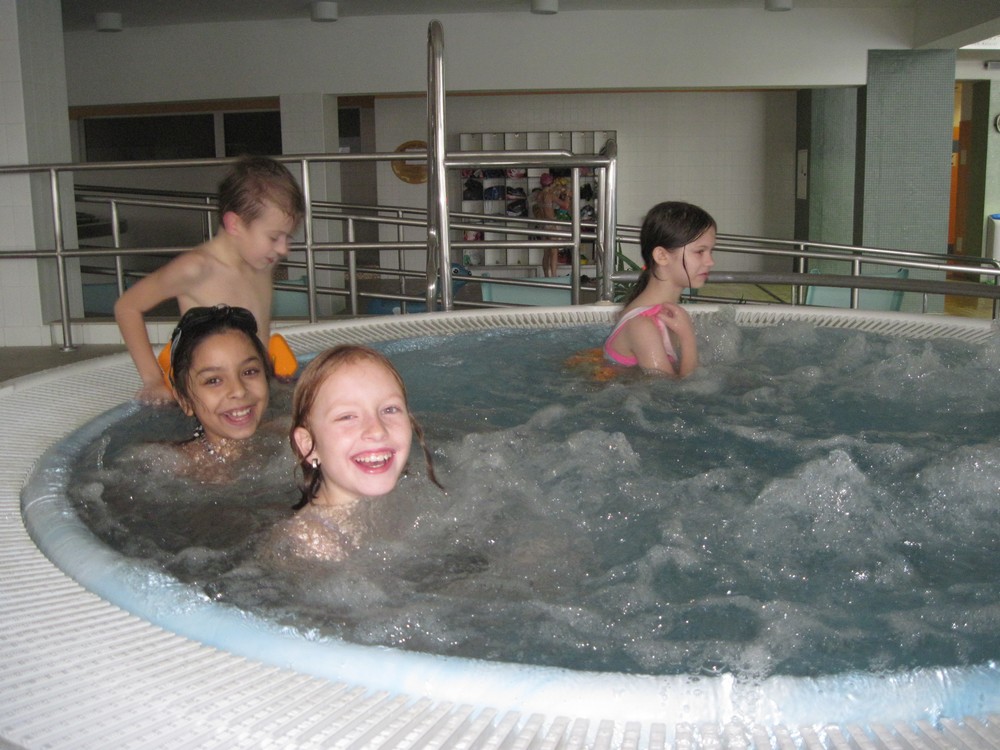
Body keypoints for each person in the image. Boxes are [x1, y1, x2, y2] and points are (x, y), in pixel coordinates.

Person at [114, 155, 305, 404]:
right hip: (212, 398)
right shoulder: (196, 269)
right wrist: (153, 380)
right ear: (235, 224)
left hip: (250, 388)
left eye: (287, 238)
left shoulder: (261, 265)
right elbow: (127, 307)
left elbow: (260, 339)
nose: (283, 249)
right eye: (274, 238)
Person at [271, 345, 442, 562]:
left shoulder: (406, 496)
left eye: (389, 409)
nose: (377, 430)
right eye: (347, 417)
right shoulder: (313, 540)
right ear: (309, 446)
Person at [603, 201, 716, 377]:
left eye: (711, 251)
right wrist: (687, 337)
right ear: (662, 256)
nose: (710, 262)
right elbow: (673, 390)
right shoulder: (642, 326)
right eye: (700, 252)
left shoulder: (665, 314)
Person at [533, 173, 571, 277]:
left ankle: (546, 275)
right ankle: (554, 276)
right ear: (551, 183)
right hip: (551, 225)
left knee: (546, 252)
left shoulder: (539, 195)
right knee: (554, 252)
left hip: (543, 225)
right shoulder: (549, 195)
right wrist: (567, 195)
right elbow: (565, 205)